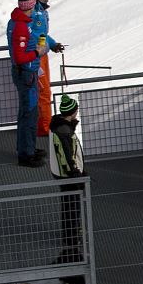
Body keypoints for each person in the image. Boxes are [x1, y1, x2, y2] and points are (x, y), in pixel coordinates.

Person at [6, 0, 44, 167]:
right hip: (26, 74)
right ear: (30, 6)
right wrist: (37, 52)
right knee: (29, 114)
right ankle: (26, 155)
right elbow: (21, 57)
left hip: (25, 73)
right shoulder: (21, 26)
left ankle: (28, 149)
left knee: (27, 113)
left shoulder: (16, 22)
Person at [49, 93, 86, 263]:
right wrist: (76, 173)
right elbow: (66, 155)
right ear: (73, 112)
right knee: (72, 205)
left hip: (61, 173)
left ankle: (69, 234)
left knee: (68, 203)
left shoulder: (60, 126)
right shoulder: (64, 130)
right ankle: (71, 237)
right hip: (68, 175)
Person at [29, 0, 65, 138]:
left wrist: (52, 44)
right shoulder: (34, 10)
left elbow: (42, 34)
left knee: (43, 91)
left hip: (41, 54)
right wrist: (48, 44)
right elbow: (36, 34)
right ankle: (44, 129)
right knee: (43, 92)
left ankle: (43, 126)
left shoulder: (41, 9)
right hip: (35, 56)